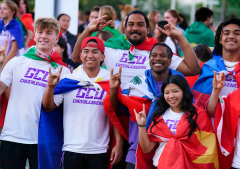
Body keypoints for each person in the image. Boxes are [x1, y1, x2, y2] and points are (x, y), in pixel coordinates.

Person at [41, 36, 123, 169]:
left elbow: (115, 115)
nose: (90, 55)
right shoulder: (69, 79)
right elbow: (48, 107)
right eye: (86, 51)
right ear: (80, 55)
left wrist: (118, 144)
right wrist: (50, 87)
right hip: (72, 148)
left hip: (99, 150)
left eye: (95, 51)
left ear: (103, 57)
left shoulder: (110, 80)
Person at [0, 17, 70, 169]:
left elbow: (49, 107)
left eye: (49, 32)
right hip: (12, 136)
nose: (43, 36)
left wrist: (50, 87)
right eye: (40, 32)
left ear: (57, 38)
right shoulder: (17, 62)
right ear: (35, 36)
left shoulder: (63, 71)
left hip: (43, 140)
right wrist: (0, 65)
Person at [72, 10, 201, 89]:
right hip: (114, 112)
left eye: (140, 25)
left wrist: (180, 38)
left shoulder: (157, 52)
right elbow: (77, 58)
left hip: (146, 114)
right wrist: (88, 30)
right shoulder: (110, 48)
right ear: (125, 28)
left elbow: (193, 69)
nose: (135, 28)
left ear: (148, 30)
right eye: (131, 24)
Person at [134, 75, 218, 169]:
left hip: (188, 165)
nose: (171, 96)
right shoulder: (159, 116)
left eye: (175, 91)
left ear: (184, 91)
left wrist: (216, 90)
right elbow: (146, 149)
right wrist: (141, 125)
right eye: (166, 92)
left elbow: (207, 145)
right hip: (160, 165)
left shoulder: (197, 114)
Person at [192, 17, 240, 169]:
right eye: (226, 33)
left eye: (237, 33)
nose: (231, 36)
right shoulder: (208, 68)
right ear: (220, 39)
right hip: (214, 138)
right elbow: (207, 111)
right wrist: (216, 90)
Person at [0, 0, 23, 66]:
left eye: (5, 9)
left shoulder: (16, 27)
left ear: (12, 12)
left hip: (10, 65)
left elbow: (14, 51)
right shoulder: (0, 26)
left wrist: (3, 65)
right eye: (0, 9)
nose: (1, 11)